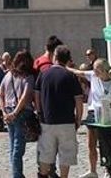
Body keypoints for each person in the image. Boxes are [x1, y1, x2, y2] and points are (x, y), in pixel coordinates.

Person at [34, 45, 83, 178]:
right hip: (67, 121)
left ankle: (43, 175)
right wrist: (78, 119)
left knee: (45, 154)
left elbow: (37, 95)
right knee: (65, 154)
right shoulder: (70, 75)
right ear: (67, 60)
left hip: (47, 120)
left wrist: (39, 112)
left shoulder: (43, 74)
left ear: (55, 57)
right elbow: (79, 100)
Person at [70, 59, 111, 178]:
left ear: (103, 71)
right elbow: (78, 72)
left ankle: (108, 171)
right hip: (92, 113)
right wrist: (63, 68)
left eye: (96, 69)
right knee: (90, 144)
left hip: (106, 115)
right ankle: (92, 171)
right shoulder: (93, 76)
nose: (94, 71)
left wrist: (108, 103)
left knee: (104, 144)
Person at [0, 50, 34, 178]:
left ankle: (17, 174)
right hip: (20, 113)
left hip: (8, 111)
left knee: (13, 146)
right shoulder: (28, 77)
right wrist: (15, 112)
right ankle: (17, 175)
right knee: (18, 148)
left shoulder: (8, 75)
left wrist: (4, 111)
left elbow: (0, 93)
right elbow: (25, 97)